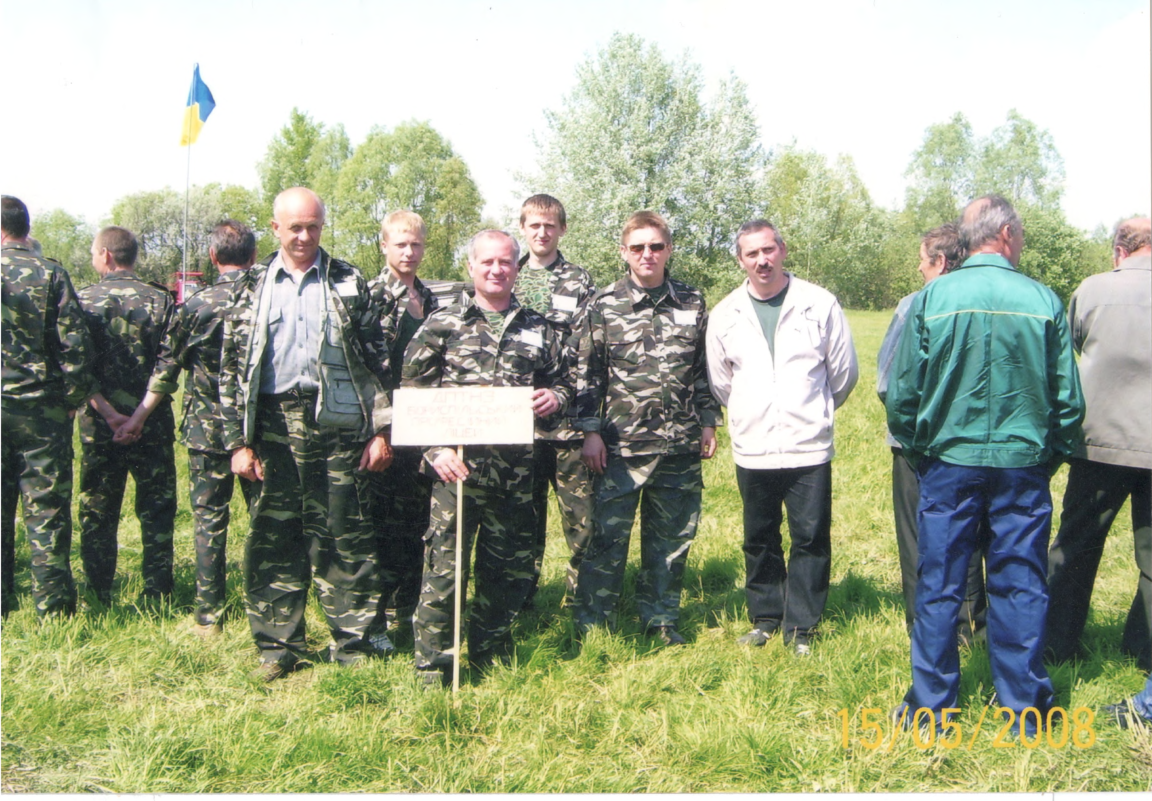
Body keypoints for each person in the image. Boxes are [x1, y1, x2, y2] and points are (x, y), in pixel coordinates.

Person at [886, 194, 1084, 731]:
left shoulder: (933, 298)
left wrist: (921, 451)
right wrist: (1050, 457)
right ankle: (1025, 710)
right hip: (1022, 463)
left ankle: (931, 709)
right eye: (1019, 234)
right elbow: (1069, 402)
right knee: (1020, 579)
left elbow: (902, 394)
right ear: (1005, 235)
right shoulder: (1043, 299)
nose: (1021, 242)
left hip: (948, 460)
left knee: (940, 581)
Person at [219, 187, 394, 680]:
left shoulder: (348, 281)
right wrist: (238, 442)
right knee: (274, 538)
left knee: (344, 534)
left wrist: (382, 430)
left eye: (312, 226)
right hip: (271, 425)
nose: (303, 236)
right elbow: (230, 369)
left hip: (337, 425)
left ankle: (354, 646)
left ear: (323, 226)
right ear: (274, 229)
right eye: (294, 227)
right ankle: (278, 648)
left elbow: (378, 362)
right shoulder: (249, 286)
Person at [402, 229, 572, 686]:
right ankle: (435, 665)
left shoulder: (538, 327)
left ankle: (490, 649)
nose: (497, 270)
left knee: (507, 569)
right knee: (445, 569)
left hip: (516, 475)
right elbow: (411, 395)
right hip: (456, 473)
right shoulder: (443, 324)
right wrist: (434, 450)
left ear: (517, 268)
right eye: (487, 262)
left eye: (505, 262)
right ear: (471, 267)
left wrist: (554, 397)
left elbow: (565, 381)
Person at [706, 219, 858, 655]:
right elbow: (721, 382)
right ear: (741, 260)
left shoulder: (819, 303)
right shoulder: (725, 314)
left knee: (810, 537)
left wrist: (813, 410)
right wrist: (753, 411)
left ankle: (802, 628)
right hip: (753, 447)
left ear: (782, 250)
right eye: (751, 254)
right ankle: (766, 617)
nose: (762, 260)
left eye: (768, 250)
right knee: (759, 536)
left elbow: (842, 374)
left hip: (807, 443)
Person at [573, 211, 720, 646]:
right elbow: (588, 375)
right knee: (606, 541)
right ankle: (593, 627)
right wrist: (590, 431)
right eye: (637, 247)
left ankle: (660, 620)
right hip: (619, 447)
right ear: (624, 252)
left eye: (656, 246)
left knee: (672, 541)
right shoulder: (603, 305)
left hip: (678, 444)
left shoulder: (692, 302)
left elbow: (702, 371)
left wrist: (708, 421)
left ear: (668, 249)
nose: (647, 254)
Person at [116, 220, 258, 636]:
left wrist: (136, 417)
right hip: (256, 431)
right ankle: (264, 607)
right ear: (252, 256)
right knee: (263, 518)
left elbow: (166, 368)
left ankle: (208, 614)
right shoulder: (266, 300)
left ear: (213, 257)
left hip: (206, 431)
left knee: (209, 520)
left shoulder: (194, 307)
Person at [1046, 216, 1151, 671]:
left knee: (1076, 546)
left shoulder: (1091, 290)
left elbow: (1069, 347)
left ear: (1118, 251)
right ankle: (1143, 652)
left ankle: (1056, 644)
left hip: (1097, 443)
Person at [877, 223, 987, 644]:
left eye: (922, 262)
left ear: (940, 261)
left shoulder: (915, 305)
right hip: (974, 444)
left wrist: (913, 433)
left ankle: (928, 628)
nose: (920, 271)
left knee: (918, 538)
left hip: (918, 445)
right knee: (973, 535)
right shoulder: (987, 299)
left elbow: (889, 383)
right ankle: (977, 625)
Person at [3, 196, 102, 617]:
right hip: (42, 412)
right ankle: (54, 610)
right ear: (27, 228)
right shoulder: (52, 273)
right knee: (46, 510)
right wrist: (70, 402)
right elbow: (76, 349)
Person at [76, 225, 177, 604]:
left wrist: (109, 414)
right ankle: (158, 592)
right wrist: (138, 416)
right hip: (151, 423)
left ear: (105, 255)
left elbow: (75, 365)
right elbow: (170, 364)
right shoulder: (161, 299)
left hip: (100, 425)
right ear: (132, 256)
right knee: (157, 510)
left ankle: (99, 591)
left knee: (98, 509)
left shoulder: (82, 300)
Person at [514, 194, 596, 603]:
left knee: (579, 518)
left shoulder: (579, 281)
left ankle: (580, 599)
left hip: (567, 424)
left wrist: (582, 413)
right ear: (523, 229)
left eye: (550, 225)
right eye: (534, 225)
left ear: (562, 229)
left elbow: (590, 351)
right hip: (517, 423)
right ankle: (521, 597)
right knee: (522, 520)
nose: (542, 232)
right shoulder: (507, 275)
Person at [364, 210, 438, 645]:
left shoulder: (431, 300)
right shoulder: (370, 297)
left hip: (422, 434)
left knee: (417, 526)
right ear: (384, 246)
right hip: (385, 435)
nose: (408, 252)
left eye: (415, 244)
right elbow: (365, 371)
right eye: (400, 244)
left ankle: (410, 611)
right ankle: (377, 619)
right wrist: (380, 431)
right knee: (380, 529)